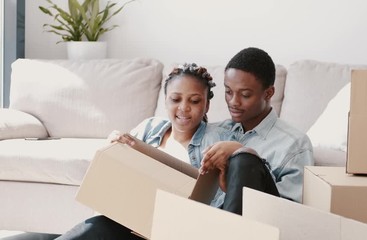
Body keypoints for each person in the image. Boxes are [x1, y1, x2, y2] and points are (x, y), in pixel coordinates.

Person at [54, 63, 233, 240]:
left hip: (168, 233)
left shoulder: (215, 139)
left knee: (98, 228)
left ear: (207, 105)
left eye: (194, 101)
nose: (184, 107)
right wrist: (112, 149)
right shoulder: (150, 128)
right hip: (126, 222)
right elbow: (115, 177)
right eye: (176, 99)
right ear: (165, 101)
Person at [201, 47, 314, 214]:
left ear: (268, 93)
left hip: (259, 226)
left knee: (244, 160)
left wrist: (241, 152)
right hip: (206, 221)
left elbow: (291, 213)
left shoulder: (295, 144)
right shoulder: (217, 131)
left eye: (245, 95)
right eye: (228, 92)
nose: (233, 102)